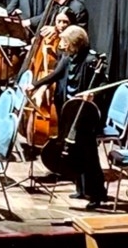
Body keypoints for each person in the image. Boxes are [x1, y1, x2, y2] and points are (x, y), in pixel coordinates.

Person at [23, 25, 107, 210]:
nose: (61, 45)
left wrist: (93, 95)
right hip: (67, 110)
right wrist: (35, 85)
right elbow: (55, 75)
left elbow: (103, 85)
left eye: (64, 42)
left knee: (89, 154)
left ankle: (97, 194)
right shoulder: (68, 58)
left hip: (84, 113)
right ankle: (80, 188)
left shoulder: (91, 60)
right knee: (75, 152)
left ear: (74, 43)